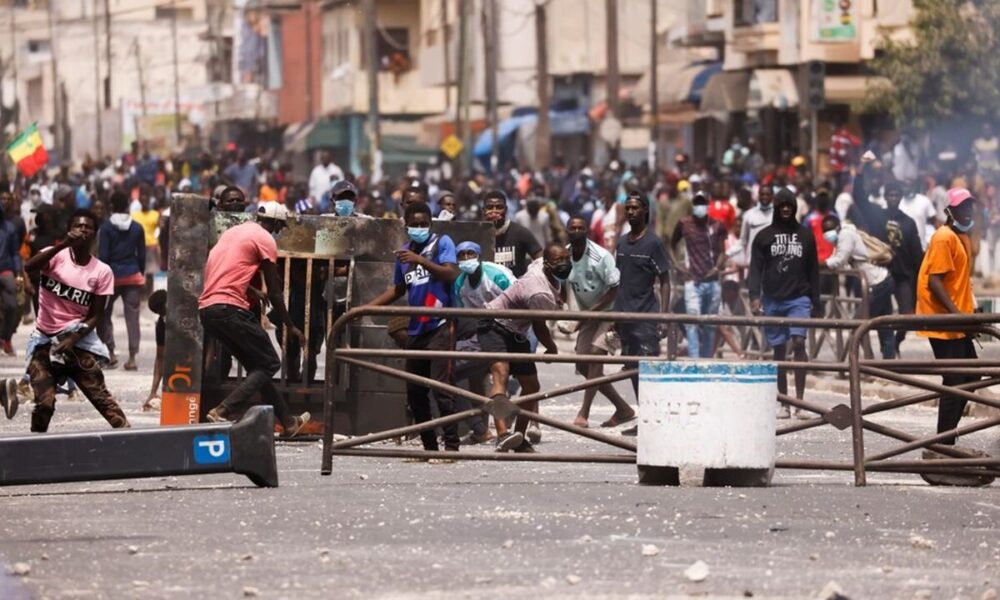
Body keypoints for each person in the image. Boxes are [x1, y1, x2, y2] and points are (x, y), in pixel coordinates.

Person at [198, 202, 311, 434]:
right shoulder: (264, 239)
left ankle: (288, 422)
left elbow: (225, 271)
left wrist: (252, 290)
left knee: (257, 367)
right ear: (277, 223)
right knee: (270, 363)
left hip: (209, 309)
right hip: (230, 309)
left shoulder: (233, 233)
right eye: (280, 226)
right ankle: (222, 410)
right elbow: (276, 290)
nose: (280, 231)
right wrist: (290, 325)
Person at [366, 202, 461, 454]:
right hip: (416, 328)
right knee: (416, 392)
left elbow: (451, 274)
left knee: (443, 390)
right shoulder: (404, 254)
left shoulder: (442, 243)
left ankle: (452, 447)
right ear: (405, 225)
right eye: (414, 224)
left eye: (423, 224)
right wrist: (366, 308)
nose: (419, 228)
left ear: (430, 223)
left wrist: (421, 260)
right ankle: (430, 448)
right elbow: (398, 289)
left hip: (441, 324)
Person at [23, 210, 129, 433]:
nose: (82, 230)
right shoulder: (54, 255)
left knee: (103, 400)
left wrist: (73, 339)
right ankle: (34, 450)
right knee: (44, 404)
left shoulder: (102, 272)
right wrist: (62, 245)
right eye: (78, 226)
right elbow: (29, 267)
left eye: (87, 227)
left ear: (94, 234)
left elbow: (96, 315)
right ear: (69, 230)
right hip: (44, 341)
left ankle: (132, 446)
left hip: (77, 342)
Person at [915, 188, 994, 486]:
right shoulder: (943, 237)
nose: (967, 213)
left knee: (968, 381)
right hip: (943, 320)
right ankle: (941, 445)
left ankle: (946, 440)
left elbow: (958, 281)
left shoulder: (960, 238)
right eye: (961, 208)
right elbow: (934, 281)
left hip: (957, 319)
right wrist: (956, 315)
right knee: (956, 379)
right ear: (950, 211)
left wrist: (969, 312)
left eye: (970, 208)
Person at [479, 244, 566, 452]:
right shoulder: (540, 292)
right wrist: (552, 348)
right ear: (546, 264)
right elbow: (539, 325)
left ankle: (519, 437)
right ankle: (502, 435)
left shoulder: (540, 265)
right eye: (558, 261)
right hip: (494, 323)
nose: (564, 264)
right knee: (501, 374)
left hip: (516, 332)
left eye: (566, 259)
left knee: (531, 386)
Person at [748, 189, 820, 419]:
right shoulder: (763, 237)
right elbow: (755, 269)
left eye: (789, 205)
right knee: (778, 349)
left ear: (795, 207)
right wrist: (754, 296)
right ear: (777, 208)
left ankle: (799, 401)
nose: (786, 209)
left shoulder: (806, 236)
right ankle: (784, 402)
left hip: (799, 298)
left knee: (799, 343)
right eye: (782, 205)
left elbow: (814, 271)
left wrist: (816, 301)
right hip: (772, 298)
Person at [565, 217, 634, 428]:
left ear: (587, 231)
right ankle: (623, 408)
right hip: (587, 314)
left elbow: (615, 288)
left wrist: (592, 313)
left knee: (596, 355)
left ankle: (583, 413)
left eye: (581, 227)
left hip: (608, 311)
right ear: (567, 231)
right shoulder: (565, 254)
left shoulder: (600, 256)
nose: (577, 231)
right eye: (573, 228)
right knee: (583, 364)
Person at [613, 190, 671, 436]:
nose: (631, 212)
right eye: (628, 208)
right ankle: (645, 420)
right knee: (633, 371)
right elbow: (617, 279)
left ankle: (657, 419)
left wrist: (664, 316)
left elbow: (665, 280)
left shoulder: (654, 243)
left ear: (645, 210)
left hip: (646, 316)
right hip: (624, 316)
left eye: (635, 208)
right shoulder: (622, 242)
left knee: (649, 371)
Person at [452, 241, 515, 445]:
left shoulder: (496, 274)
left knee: (508, 378)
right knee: (454, 376)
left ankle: (509, 428)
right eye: (461, 255)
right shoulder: (460, 283)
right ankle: (482, 429)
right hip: (482, 332)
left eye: (470, 253)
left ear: (479, 255)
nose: (466, 258)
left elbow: (518, 299)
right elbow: (462, 314)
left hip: (511, 328)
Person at [820, 215, 896, 359]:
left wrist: (818, 264)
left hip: (877, 283)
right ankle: (887, 363)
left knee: (859, 326)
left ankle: (871, 362)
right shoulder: (840, 238)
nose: (827, 233)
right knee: (884, 325)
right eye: (824, 230)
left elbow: (839, 260)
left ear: (837, 227)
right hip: (880, 280)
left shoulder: (845, 235)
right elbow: (838, 258)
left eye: (830, 229)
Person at [670, 193, 727, 358]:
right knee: (692, 322)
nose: (700, 207)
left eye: (703, 203)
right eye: (697, 203)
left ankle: (706, 359)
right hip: (692, 281)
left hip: (713, 281)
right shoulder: (684, 224)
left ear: (708, 206)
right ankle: (695, 360)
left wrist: (717, 267)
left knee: (710, 324)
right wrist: (677, 265)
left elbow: (723, 252)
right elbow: (672, 244)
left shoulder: (717, 225)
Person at [97, 191, 146, 371]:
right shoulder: (137, 228)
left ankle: (110, 352)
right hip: (132, 275)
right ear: (127, 206)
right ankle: (132, 357)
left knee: (104, 314)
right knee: (132, 317)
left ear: (111, 206)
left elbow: (103, 256)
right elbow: (141, 255)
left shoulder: (106, 228)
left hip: (111, 276)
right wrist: (140, 273)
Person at [483, 189, 542, 278]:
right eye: (490, 207)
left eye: (499, 207)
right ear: (484, 210)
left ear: (506, 210)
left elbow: (541, 261)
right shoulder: (477, 234)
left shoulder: (520, 232)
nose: (494, 211)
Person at [0, 201, 23, 356]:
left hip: (6, 270)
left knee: (12, 306)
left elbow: (15, 252)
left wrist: (18, 273)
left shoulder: (9, 228)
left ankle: (6, 338)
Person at [130, 185, 160, 289]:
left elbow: (159, 229)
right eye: (142, 200)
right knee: (140, 271)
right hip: (138, 247)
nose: (144, 202)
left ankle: (149, 293)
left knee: (150, 272)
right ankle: (142, 293)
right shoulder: (134, 215)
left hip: (152, 246)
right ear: (139, 201)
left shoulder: (155, 214)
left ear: (148, 201)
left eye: (146, 200)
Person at [143, 289, 167, 412]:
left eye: (164, 312)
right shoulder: (162, 324)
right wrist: (153, 392)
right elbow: (160, 358)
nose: (164, 316)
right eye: (161, 314)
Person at [739, 184, 774, 266]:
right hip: (753, 262)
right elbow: (743, 241)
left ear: (772, 196)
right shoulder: (749, 214)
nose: (764, 197)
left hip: (772, 262)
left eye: (767, 195)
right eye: (762, 194)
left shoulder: (778, 215)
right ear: (758, 196)